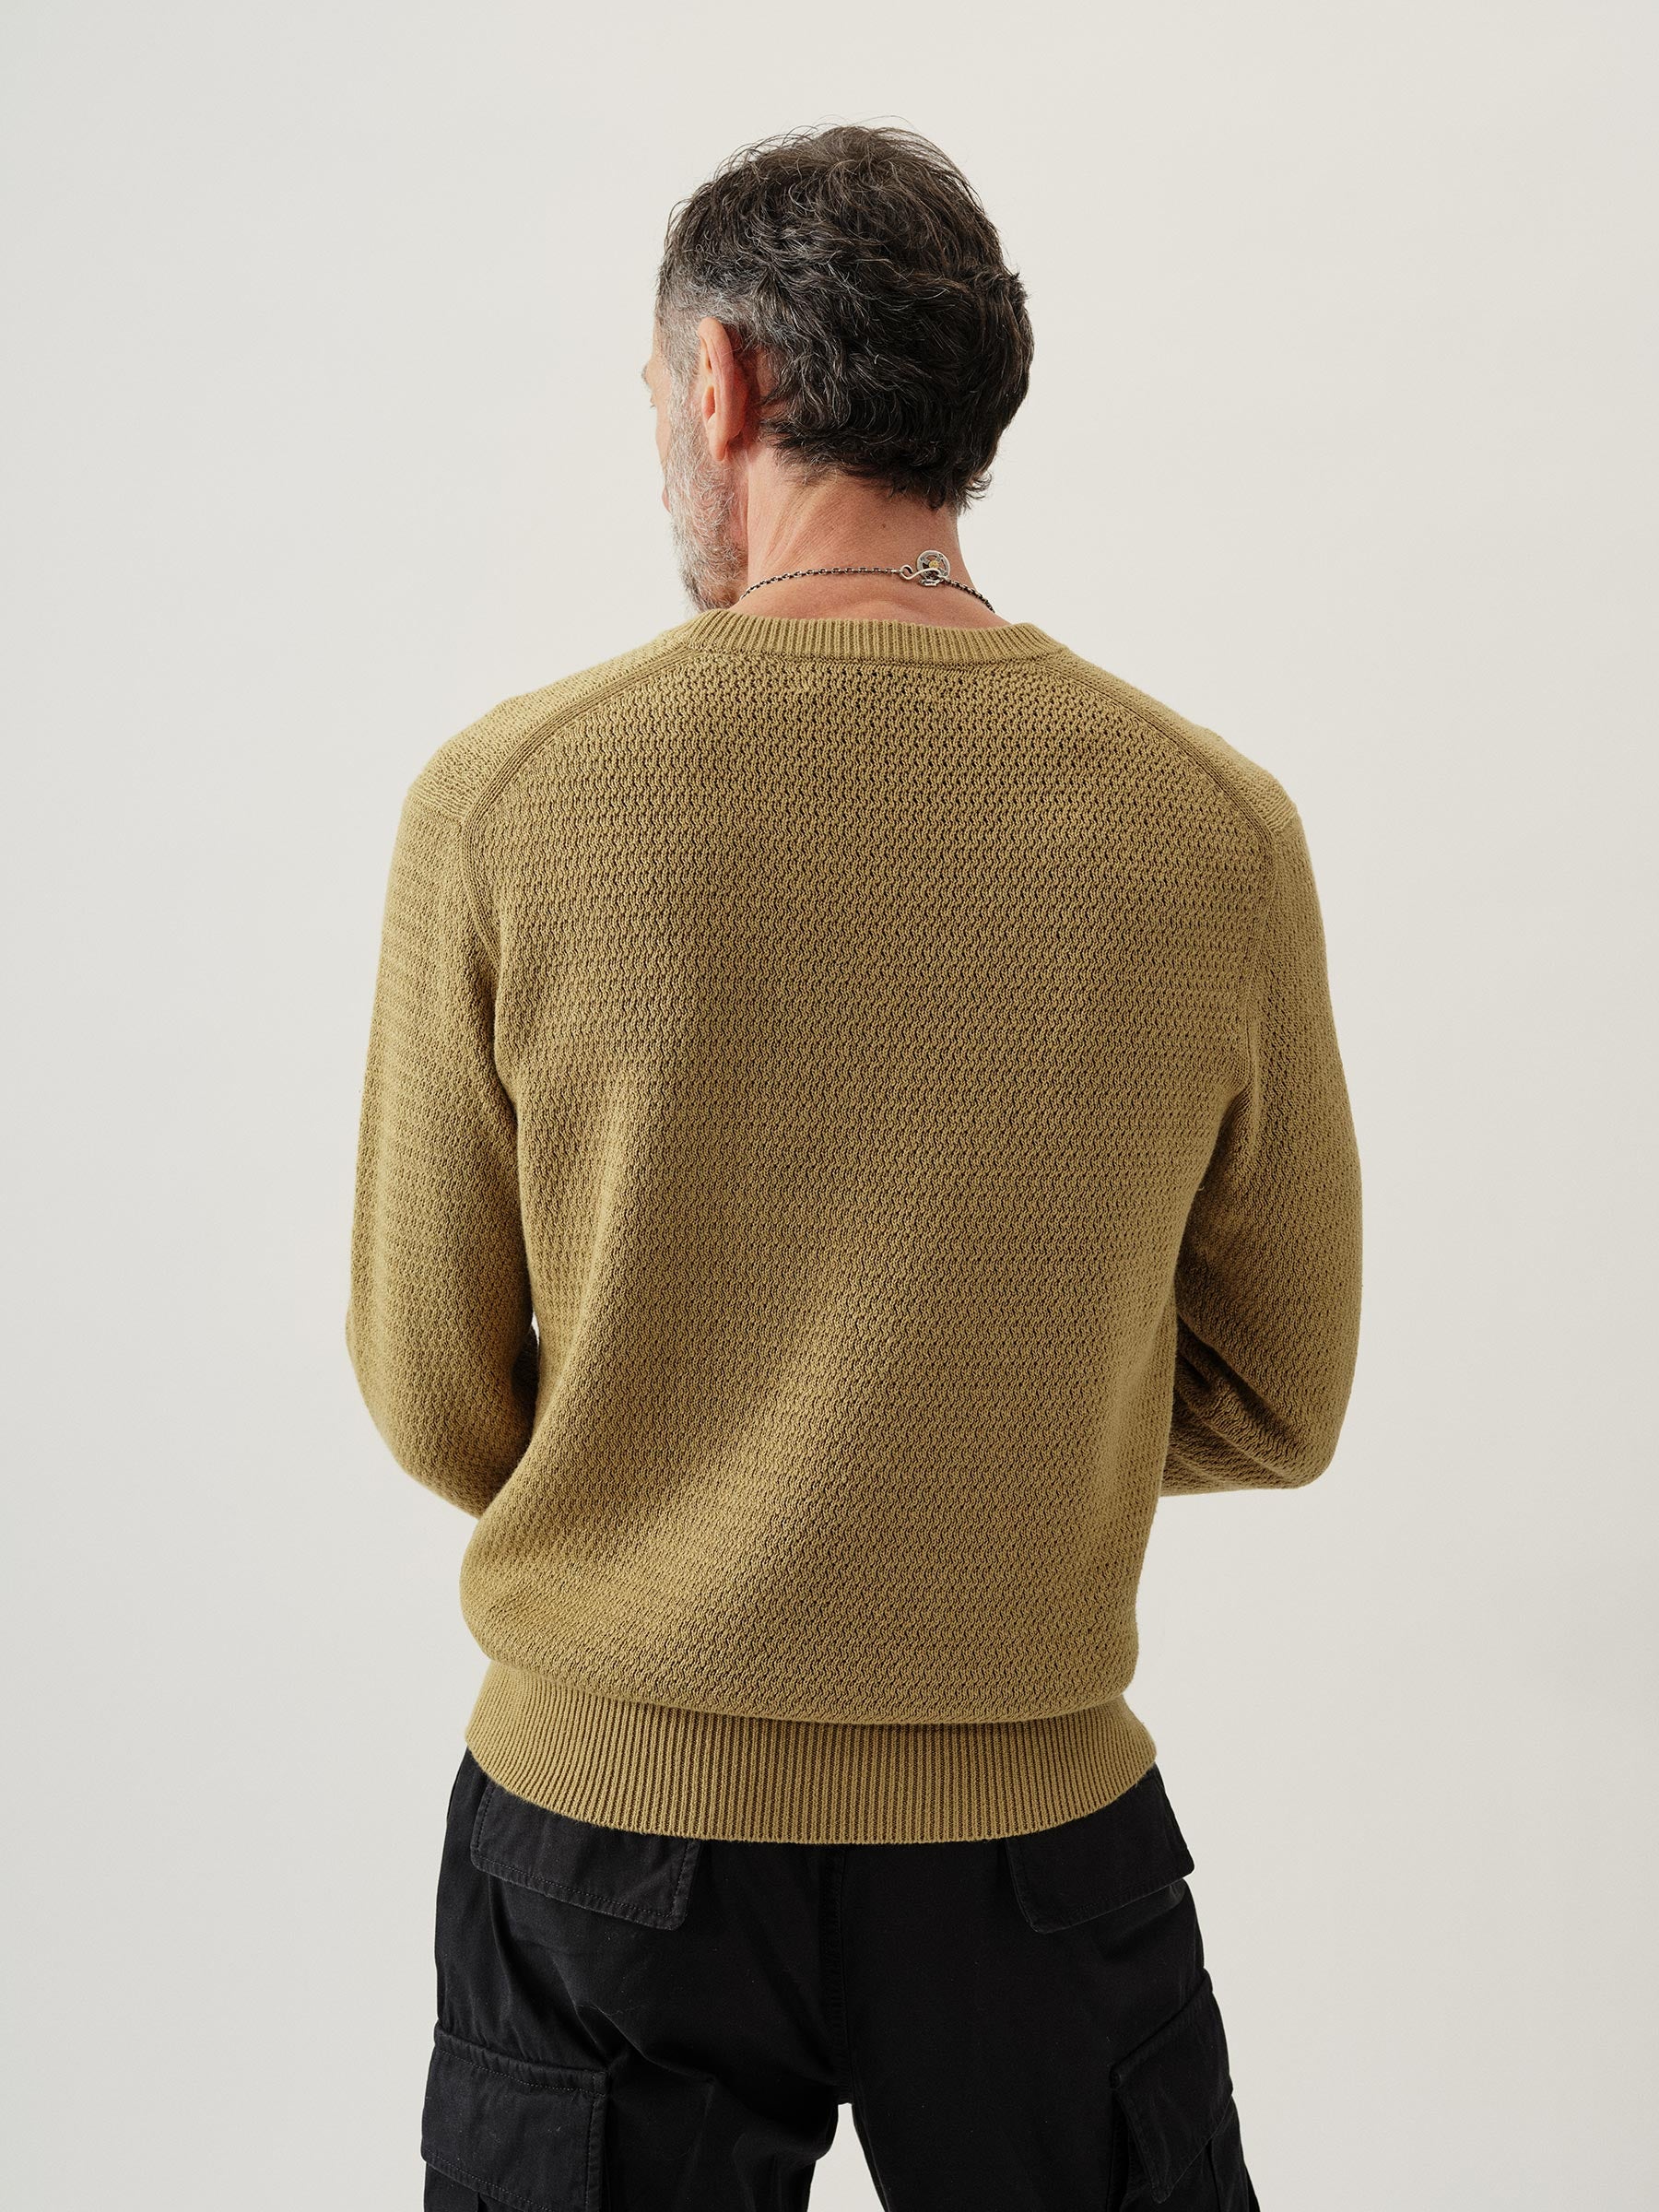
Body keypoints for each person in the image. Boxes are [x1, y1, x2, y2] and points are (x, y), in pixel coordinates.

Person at [345, 122, 1362, 2212]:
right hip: (1034, 1853)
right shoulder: (1208, 827)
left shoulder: (511, 804)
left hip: (610, 1838)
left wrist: (700, 1463)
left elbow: (436, 1393)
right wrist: (974, 1453)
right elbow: (1282, 1396)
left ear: (720, 383)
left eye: (658, 390)